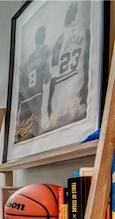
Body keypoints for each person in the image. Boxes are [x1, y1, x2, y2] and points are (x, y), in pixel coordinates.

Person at [47, 2, 90, 130]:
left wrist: (50, 100)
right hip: (68, 100)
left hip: (69, 100)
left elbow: (53, 77)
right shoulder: (83, 29)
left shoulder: (60, 39)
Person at [16, 25, 51, 141]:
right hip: (36, 95)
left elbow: (21, 82)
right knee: (36, 130)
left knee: (25, 133)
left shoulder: (28, 59)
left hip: (25, 99)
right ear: (44, 37)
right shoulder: (45, 51)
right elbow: (47, 77)